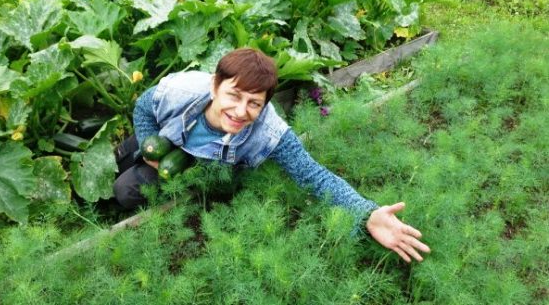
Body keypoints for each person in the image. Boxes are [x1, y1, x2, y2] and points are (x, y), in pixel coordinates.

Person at [113, 48, 431, 263]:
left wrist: (367, 212)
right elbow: (143, 106)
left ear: (266, 103)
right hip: (172, 140)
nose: (240, 111)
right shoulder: (181, 91)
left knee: (125, 190)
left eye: (254, 103)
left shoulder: (271, 133)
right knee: (125, 157)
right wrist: (150, 149)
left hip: (214, 166)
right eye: (234, 96)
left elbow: (315, 176)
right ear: (214, 86)